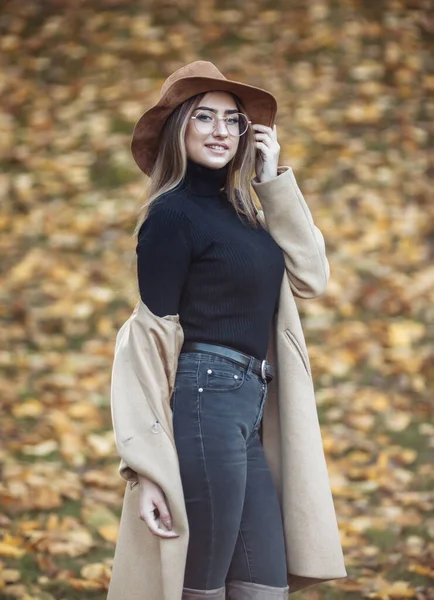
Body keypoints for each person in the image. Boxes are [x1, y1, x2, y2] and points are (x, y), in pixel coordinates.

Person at [107, 60, 347, 600]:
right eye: (205, 117)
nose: (222, 131)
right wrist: (144, 469)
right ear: (179, 128)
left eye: (233, 120)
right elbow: (146, 342)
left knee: (264, 584)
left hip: (249, 408)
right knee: (201, 585)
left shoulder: (243, 213)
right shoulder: (171, 217)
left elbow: (312, 276)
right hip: (203, 397)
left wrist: (273, 180)